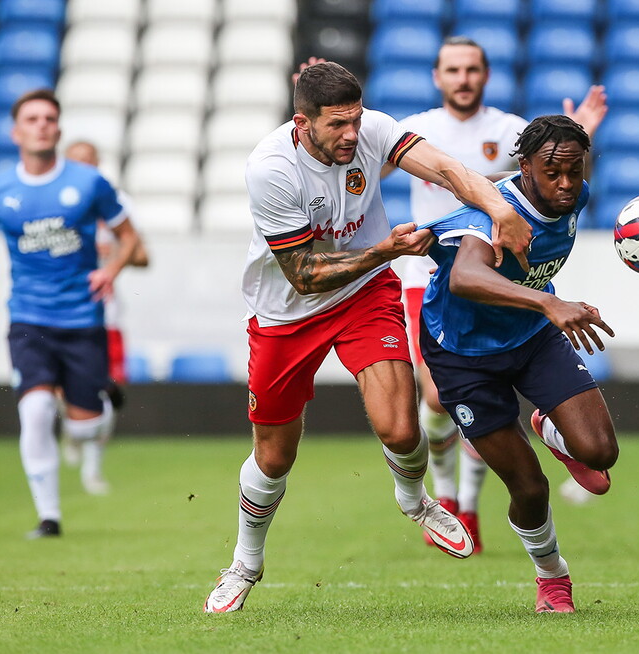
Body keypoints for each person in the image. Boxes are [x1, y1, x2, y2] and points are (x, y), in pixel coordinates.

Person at [202, 61, 533, 613]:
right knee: (275, 456)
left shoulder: (372, 130)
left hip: (365, 294)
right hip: (287, 312)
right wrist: (384, 250)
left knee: (402, 428)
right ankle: (245, 563)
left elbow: (448, 170)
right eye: (337, 125)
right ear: (301, 123)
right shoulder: (270, 168)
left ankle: (415, 501)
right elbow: (304, 274)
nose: (351, 135)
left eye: (355, 120)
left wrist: (499, 208)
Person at [384, 36, 610, 550]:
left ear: (485, 75)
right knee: (438, 400)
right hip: (438, 279)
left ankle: (504, 468)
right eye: (452, 69)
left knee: (588, 449)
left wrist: (583, 138)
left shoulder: (514, 133)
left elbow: (563, 167)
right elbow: (364, 172)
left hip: (517, 303)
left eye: (472, 69)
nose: (463, 78)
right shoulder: (415, 131)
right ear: (438, 76)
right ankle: (449, 500)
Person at [417, 115, 618, 613]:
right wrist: (551, 303)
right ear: (524, 166)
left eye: (576, 170)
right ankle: (552, 577)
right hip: (462, 353)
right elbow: (464, 277)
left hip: (530, 338)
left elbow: (540, 267)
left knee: (600, 453)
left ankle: (550, 429)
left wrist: (552, 306)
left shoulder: (577, 197)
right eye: (553, 172)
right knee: (529, 487)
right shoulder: (492, 212)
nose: (567, 184)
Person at [0, 89, 143, 538]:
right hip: (28, 319)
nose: (42, 124)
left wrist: (111, 271)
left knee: (86, 429)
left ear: (57, 129)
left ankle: (95, 406)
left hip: (83, 322)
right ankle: (49, 517)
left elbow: (130, 237)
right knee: (37, 410)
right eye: (33, 118)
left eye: (49, 118)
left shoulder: (88, 183)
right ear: (16, 130)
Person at [60, 140, 150, 495]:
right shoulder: (53, 198)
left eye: (89, 163)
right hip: (58, 311)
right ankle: (70, 425)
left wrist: (114, 256)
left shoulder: (115, 202)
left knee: (108, 392)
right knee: (62, 390)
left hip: (105, 314)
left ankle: (92, 470)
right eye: (75, 163)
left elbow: (142, 255)